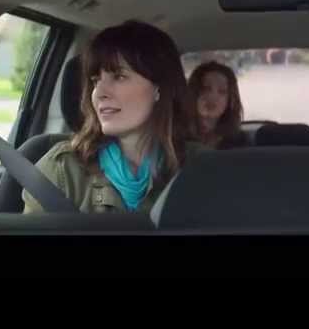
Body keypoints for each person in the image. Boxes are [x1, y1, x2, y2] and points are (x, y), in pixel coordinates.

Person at [22, 20, 205, 214]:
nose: (100, 93)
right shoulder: (61, 169)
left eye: (119, 77)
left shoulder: (200, 167)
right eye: (95, 81)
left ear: (159, 88)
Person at [187, 61, 247, 149]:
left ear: (230, 100)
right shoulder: (177, 134)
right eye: (206, 89)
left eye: (222, 91)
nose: (213, 97)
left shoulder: (238, 140)